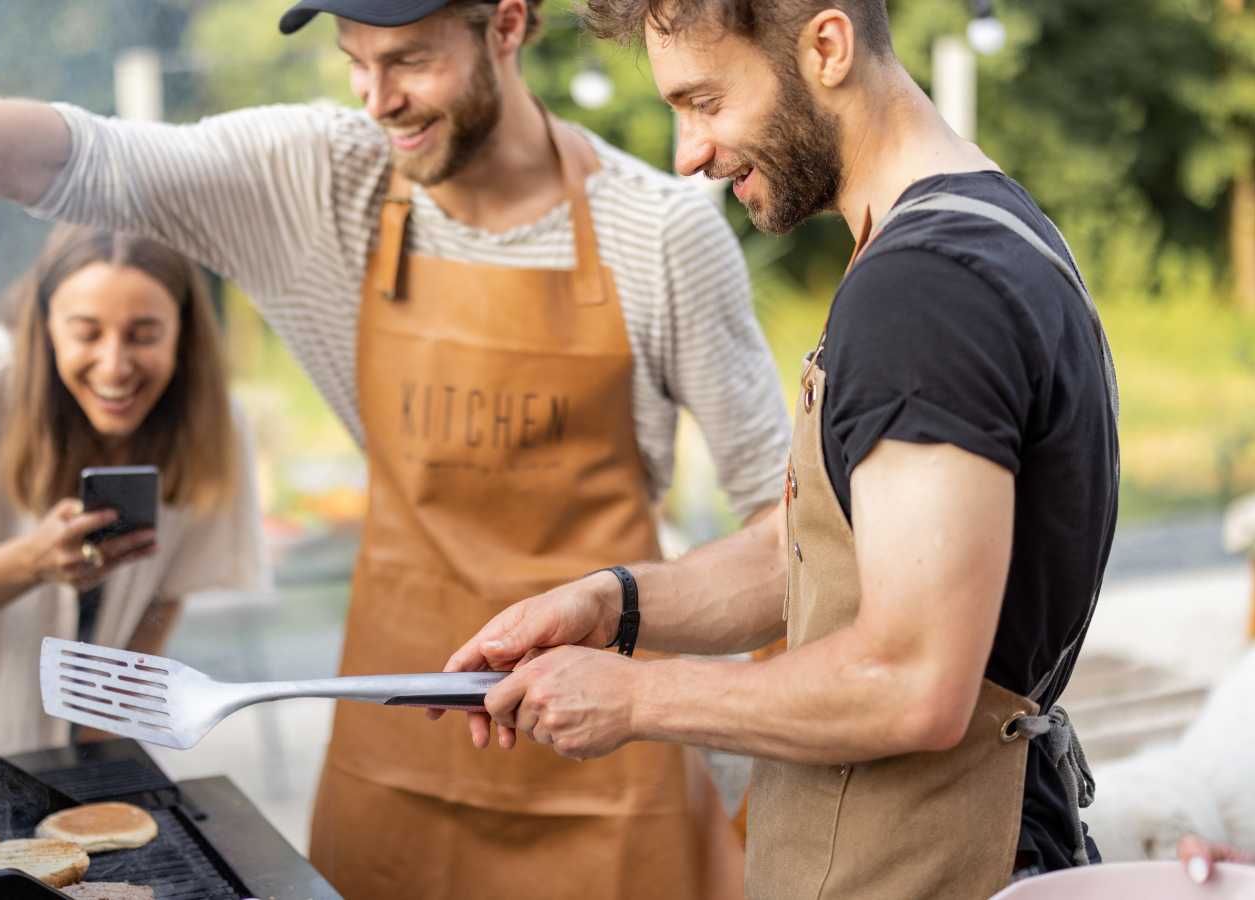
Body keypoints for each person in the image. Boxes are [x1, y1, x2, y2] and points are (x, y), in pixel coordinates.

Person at [0, 1, 791, 897]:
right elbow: (92, 160)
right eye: (355, 62)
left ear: (507, 25)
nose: (378, 101)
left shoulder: (662, 232)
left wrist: (750, 755)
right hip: (394, 758)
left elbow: (774, 515)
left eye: (408, 60)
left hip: (601, 750)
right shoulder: (326, 177)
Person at [441, 1, 1120, 897]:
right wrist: (613, 606)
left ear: (827, 47)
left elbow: (912, 679)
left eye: (705, 100)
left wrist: (639, 698)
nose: (690, 154)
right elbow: (815, 549)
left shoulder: (927, 294)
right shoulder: (980, 226)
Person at [0, 224, 267, 755]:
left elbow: (162, 602)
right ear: (45, 327)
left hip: (71, 742)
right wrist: (32, 563)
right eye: (87, 333)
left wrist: (97, 742)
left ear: (183, 332)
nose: (114, 365)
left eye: (143, 334)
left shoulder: (216, 422)